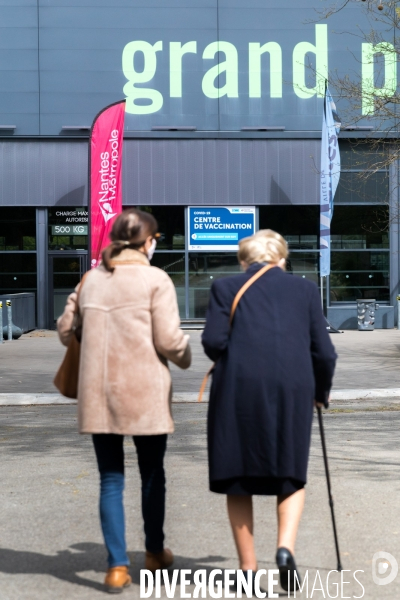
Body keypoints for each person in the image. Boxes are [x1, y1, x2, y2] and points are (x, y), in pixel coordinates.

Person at [57, 208, 191, 594]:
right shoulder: (156, 279)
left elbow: (65, 331)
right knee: (153, 474)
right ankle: (153, 552)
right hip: (145, 392)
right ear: (148, 242)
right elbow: (169, 341)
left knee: (110, 479)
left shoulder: (91, 280)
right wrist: (185, 355)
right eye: (156, 239)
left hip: (100, 394)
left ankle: (116, 567)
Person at [201, 229, 337, 592]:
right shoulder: (305, 290)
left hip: (237, 389)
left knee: (237, 476)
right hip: (293, 389)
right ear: (281, 258)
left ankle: (248, 570)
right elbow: (324, 352)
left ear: (244, 259)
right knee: (289, 473)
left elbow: (213, 342)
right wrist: (320, 393)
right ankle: (284, 550)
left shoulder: (224, 288)